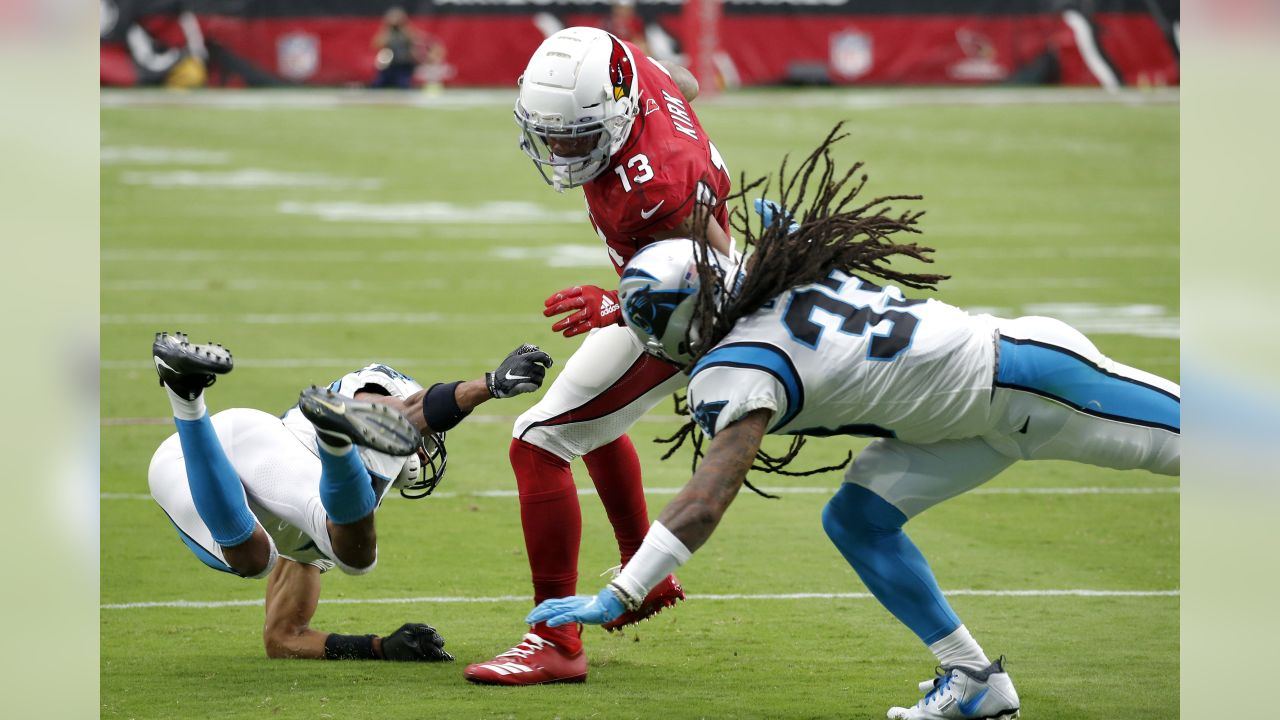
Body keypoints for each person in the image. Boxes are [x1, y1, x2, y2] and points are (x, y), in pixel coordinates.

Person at [527, 132, 1179, 719]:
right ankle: (973, 678)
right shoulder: (774, 272)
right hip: (955, 425)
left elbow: (707, 498)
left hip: (1032, 379)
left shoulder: (733, 371)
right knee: (857, 519)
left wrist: (621, 593)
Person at [463, 26, 734, 686]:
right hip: (661, 285)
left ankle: (554, 639)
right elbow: (682, 84)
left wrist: (620, 303)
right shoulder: (626, 73)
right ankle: (648, 567)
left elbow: (720, 277)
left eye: (576, 137)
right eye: (550, 133)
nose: (559, 149)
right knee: (579, 421)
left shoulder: (660, 181)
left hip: (688, 314)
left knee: (539, 442)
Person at [148, 332, 553, 661]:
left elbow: (282, 638)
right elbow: (409, 410)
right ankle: (334, 442)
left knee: (262, 556)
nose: (426, 448)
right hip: (260, 450)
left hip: (218, 447)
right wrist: (489, 385)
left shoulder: (315, 536)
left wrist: (378, 647)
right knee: (351, 555)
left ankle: (186, 397)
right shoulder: (377, 406)